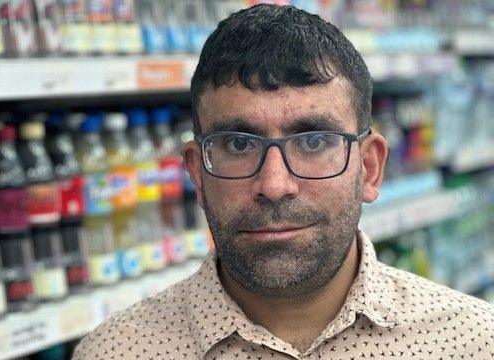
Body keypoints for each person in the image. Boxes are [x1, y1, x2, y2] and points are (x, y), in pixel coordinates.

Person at [73, 4, 494, 359]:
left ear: (369, 168)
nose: (274, 185)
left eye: (313, 141)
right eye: (239, 144)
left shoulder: (472, 343)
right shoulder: (115, 351)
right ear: (197, 174)